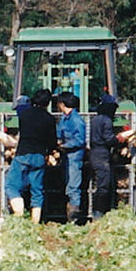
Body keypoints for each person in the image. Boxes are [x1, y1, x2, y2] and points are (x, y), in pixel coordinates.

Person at [5, 89, 57, 223]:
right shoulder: (50, 118)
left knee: (11, 186)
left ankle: (19, 211)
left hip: (23, 154)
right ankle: (35, 223)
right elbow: (52, 142)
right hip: (39, 156)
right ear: (48, 103)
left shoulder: (25, 114)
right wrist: (51, 152)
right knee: (37, 191)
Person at [55, 91, 86, 223]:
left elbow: (80, 140)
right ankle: (68, 213)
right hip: (66, 157)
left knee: (73, 186)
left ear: (62, 104)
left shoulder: (77, 120)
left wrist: (65, 146)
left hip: (74, 157)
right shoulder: (64, 118)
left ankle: (74, 217)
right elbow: (59, 133)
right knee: (67, 184)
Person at [89, 93, 119, 220]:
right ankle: (98, 213)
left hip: (94, 153)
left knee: (98, 183)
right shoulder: (106, 121)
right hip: (102, 154)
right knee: (103, 185)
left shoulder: (94, 119)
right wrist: (118, 139)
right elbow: (108, 139)